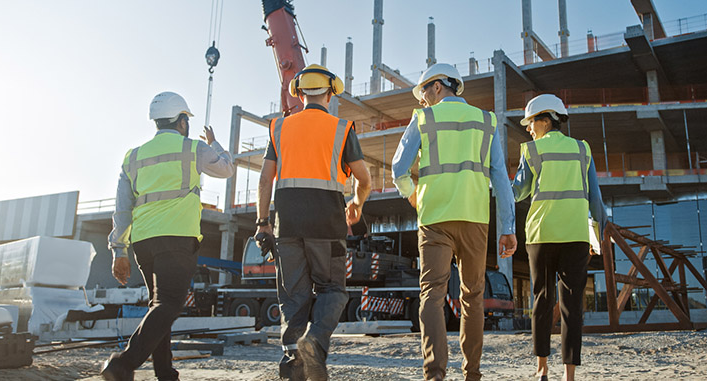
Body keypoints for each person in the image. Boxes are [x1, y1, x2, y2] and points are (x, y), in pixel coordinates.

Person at [391, 63, 517, 381]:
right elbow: (501, 178)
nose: (423, 101)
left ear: (437, 86)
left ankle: (435, 375)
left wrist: (412, 195)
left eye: (424, 93)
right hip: (475, 220)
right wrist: (507, 228)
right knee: (473, 297)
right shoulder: (486, 121)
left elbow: (398, 168)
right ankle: (472, 374)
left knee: (432, 295)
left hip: (434, 220)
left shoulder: (424, 119)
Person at [103, 91, 236, 381]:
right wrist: (215, 143)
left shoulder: (133, 156)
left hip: (143, 243)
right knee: (169, 305)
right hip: (177, 237)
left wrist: (119, 251)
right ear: (182, 121)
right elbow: (226, 168)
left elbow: (122, 209)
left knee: (158, 307)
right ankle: (123, 364)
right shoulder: (193, 148)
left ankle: (166, 374)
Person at [255, 64, 371, 381]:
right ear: (330, 93)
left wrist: (262, 222)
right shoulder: (342, 128)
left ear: (300, 92)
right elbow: (364, 178)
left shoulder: (279, 127)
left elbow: (265, 180)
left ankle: (293, 366)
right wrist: (356, 204)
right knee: (333, 290)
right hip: (328, 226)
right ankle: (316, 340)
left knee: (293, 300)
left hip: (287, 227)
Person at [511, 94, 608, 381]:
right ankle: (569, 375)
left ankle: (541, 369)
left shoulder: (531, 151)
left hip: (541, 235)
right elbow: (595, 198)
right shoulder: (582, 150)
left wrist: (496, 181)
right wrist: (598, 237)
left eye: (531, 123)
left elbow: (519, 192)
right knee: (572, 305)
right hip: (576, 236)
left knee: (541, 299)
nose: (528, 129)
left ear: (545, 120)